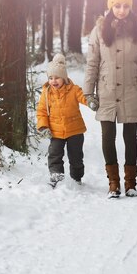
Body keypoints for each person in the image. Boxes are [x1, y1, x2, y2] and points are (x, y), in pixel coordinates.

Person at [83, 0, 137, 198]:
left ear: (130, 8)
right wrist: (88, 93)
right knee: (108, 136)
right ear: (111, 6)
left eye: (125, 6)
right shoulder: (99, 30)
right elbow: (92, 63)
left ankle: (130, 183)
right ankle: (113, 183)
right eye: (117, 6)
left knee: (130, 137)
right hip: (106, 89)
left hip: (131, 89)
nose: (121, 10)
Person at [37, 53, 90, 186]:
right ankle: (56, 175)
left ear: (64, 78)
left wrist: (92, 101)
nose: (53, 81)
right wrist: (43, 126)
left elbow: (84, 97)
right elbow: (42, 111)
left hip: (75, 131)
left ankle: (77, 178)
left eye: (57, 78)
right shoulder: (47, 93)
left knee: (76, 156)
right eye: (50, 78)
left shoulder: (74, 90)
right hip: (55, 131)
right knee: (54, 154)